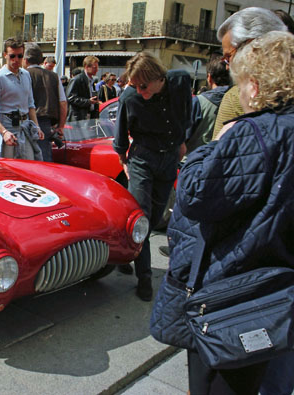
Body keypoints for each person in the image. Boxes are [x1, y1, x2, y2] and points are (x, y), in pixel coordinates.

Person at [162, 31, 294, 395]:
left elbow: (194, 195)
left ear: (255, 84)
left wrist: (210, 148)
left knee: (218, 381)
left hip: (235, 294)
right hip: (279, 289)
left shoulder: (255, 131)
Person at [113, 52, 191, 301]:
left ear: (159, 78)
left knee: (156, 217)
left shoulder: (179, 82)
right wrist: (124, 162)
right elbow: (120, 138)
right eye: (135, 86)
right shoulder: (129, 96)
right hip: (142, 159)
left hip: (168, 158)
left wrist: (181, 141)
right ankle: (144, 278)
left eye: (143, 86)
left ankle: (126, 254)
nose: (139, 91)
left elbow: (186, 115)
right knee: (142, 219)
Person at [211, 7, 287, 140]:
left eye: (229, 57)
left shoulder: (237, 97)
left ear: (250, 46)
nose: (228, 67)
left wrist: (219, 141)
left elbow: (217, 158)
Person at [0, 37, 43, 159]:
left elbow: (30, 105)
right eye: (12, 56)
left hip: (24, 128)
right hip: (6, 127)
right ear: (5, 55)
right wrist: (4, 132)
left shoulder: (26, 75)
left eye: (20, 56)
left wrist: (37, 126)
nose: (16, 60)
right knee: (7, 168)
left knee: (29, 166)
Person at [23, 43, 67, 162]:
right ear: (41, 60)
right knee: (44, 160)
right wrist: (60, 126)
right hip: (45, 123)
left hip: (25, 122)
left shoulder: (23, 75)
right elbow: (63, 103)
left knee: (24, 162)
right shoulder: (53, 76)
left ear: (25, 60)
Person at [66, 56, 100, 121]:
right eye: (94, 68)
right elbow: (70, 98)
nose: (97, 70)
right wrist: (88, 101)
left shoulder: (92, 80)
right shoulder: (77, 79)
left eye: (97, 67)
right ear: (87, 67)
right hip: (78, 117)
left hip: (90, 116)